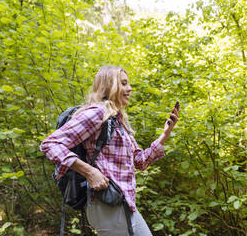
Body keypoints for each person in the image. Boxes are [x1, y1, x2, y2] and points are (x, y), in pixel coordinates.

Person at [40, 66, 179, 236]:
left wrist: (165, 135)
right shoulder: (98, 113)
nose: (130, 88)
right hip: (106, 204)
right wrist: (90, 172)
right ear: (109, 86)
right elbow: (50, 144)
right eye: (123, 83)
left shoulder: (118, 121)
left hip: (124, 203)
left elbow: (140, 161)